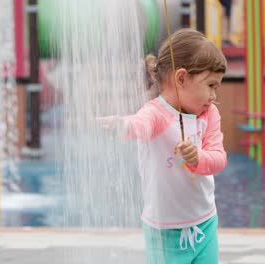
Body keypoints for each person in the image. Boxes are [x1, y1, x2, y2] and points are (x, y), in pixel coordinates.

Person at [97, 28, 227, 264]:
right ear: (181, 78)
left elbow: (218, 158)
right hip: (164, 232)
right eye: (211, 86)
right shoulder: (156, 113)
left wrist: (198, 158)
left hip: (204, 223)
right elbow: (139, 125)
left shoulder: (209, 114)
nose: (213, 96)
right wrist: (121, 125)